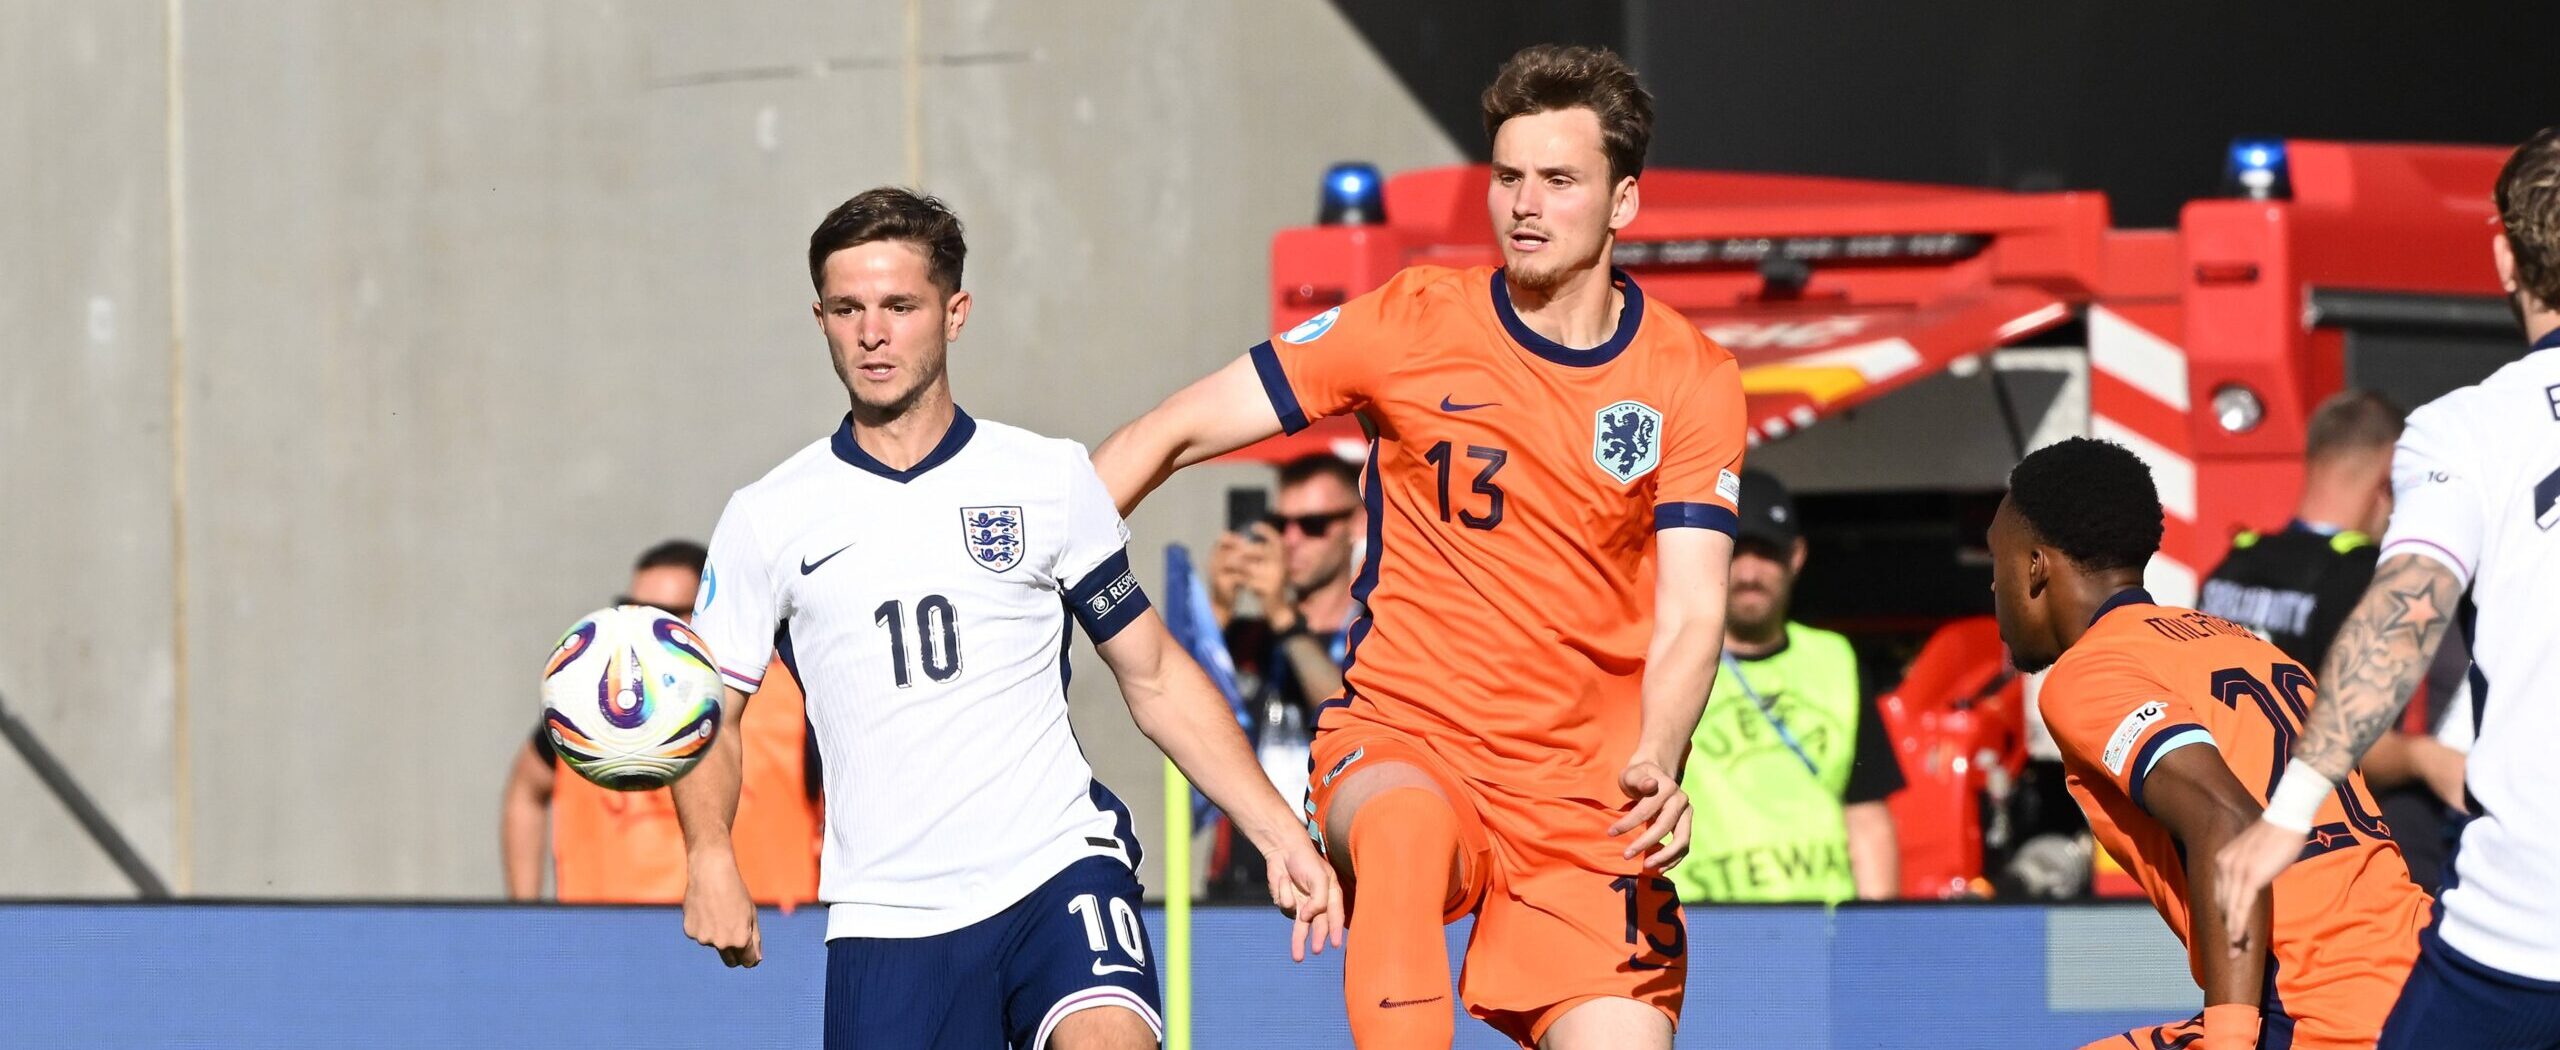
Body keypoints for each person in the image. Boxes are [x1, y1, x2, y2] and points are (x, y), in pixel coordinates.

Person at [1094, 45, 1744, 1050]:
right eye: (1507, 177)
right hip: (1408, 742)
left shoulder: (1691, 378)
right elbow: (1172, 432)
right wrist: (1040, 549)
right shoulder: (1410, 321)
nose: (1524, 205)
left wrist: (1658, 753)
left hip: (1587, 796)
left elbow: (1694, 611)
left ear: (1623, 203)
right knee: (1400, 836)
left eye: (1559, 180)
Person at [670, 188, 1342, 1050]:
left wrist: (1280, 832)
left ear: (955, 314)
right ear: (821, 319)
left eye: (900, 306)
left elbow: (1155, 677)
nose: (872, 333)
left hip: (1055, 870)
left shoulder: (1046, 478)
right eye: (847, 309)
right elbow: (707, 715)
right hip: (890, 916)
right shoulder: (768, 517)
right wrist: (710, 853)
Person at [2217, 128, 2560, 1049]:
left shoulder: (2470, 429)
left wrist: (2289, 812)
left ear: (2504, 258)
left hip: (2526, 925)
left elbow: (2405, 609)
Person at [1992, 437, 2430, 1050]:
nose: (1994, 590)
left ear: (2036, 566)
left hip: (2324, 1009)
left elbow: (2226, 818)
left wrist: (2228, 1039)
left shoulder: (2089, 671)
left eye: (1997, 565)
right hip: (2426, 981)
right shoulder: (2246, 646)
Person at [2198, 391, 2470, 891]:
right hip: (2323, 843)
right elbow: (2348, 738)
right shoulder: (2367, 579)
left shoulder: (2230, 569)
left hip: (2230, 831)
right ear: (2389, 477)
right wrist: (2425, 759)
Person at [498, 539, 821, 905]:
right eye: (632, 609)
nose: (643, 626)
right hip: (600, 934)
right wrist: (524, 914)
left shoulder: (788, 703)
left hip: (746, 934)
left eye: (664, 615)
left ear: (709, 615)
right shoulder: (590, 703)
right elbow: (526, 789)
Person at [1668, 470, 1903, 903]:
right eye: (1735, 551)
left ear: (1796, 556)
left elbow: (1866, 814)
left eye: (1767, 552)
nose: (1749, 572)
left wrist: (1876, 931)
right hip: (1703, 922)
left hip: (1823, 922)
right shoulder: (1667, 661)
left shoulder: (1835, 659)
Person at [1204, 453, 1364, 894]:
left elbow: (1344, 712)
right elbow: (1176, 710)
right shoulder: (1246, 639)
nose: (1291, 540)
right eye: (1280, 524)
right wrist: (1217, 610)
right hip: (1243, 880)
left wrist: (1280, 613)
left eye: (1313, 525)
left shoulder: (1375, 632)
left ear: (1356, 524)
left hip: (1340, 876)